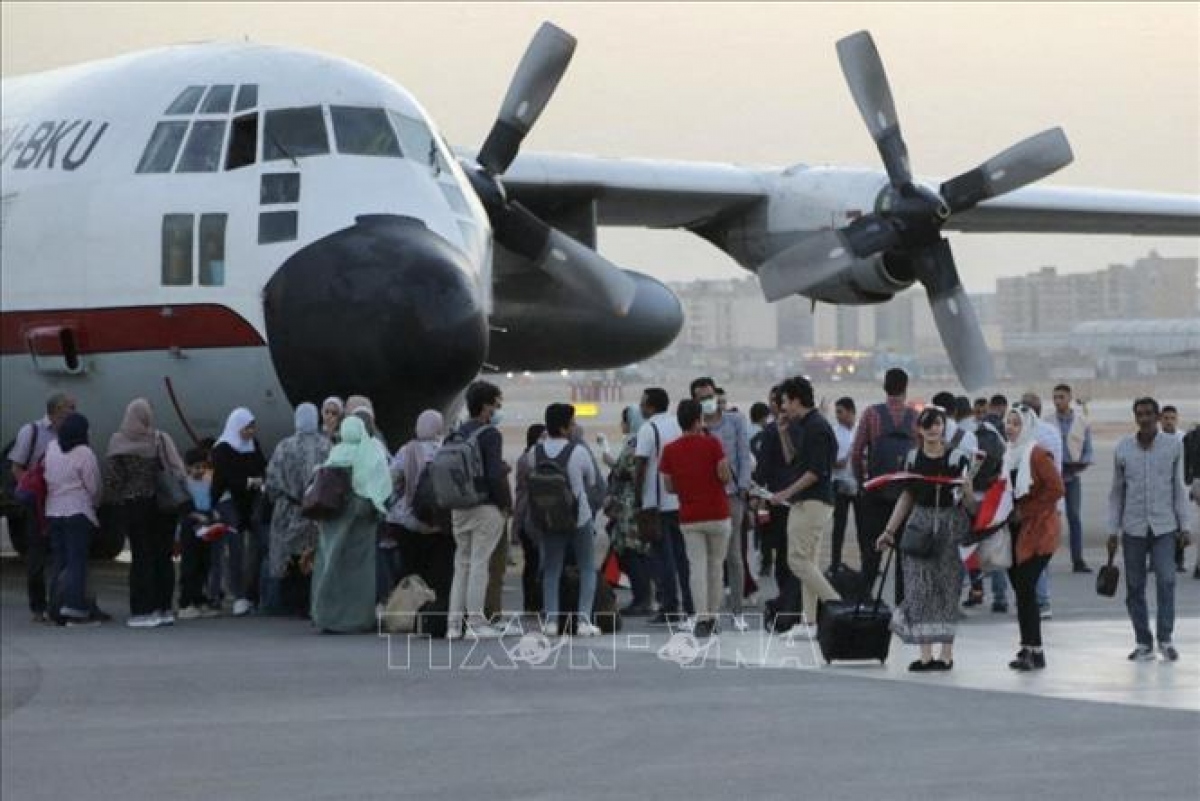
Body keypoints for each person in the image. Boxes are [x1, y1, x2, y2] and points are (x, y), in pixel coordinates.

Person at [875, 407, 974, 672]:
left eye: (937, 424)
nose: (932, 429)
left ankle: (946, 654)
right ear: (919, 429)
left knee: (947, 587)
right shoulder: (911, 458)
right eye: (927, 425)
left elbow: (968, 502)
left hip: (949, 524)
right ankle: (925, 654)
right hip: (919, 524)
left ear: (944, 427)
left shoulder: (958, 457)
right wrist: (889, 531)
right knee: (919, 588)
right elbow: (907, 496)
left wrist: (968, 493)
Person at [1108, 398, 1191, 663]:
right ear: (1135, 417)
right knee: (1135, 587)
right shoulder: (1123, 448)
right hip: (1133, 528)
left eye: (1148, 414)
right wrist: (1112, 530)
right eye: (1139, 414)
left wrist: (1185, 526)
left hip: (1164, 527)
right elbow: (1116, 493)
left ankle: (1165, 639)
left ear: (1157, 417)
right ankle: (1143, 642)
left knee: (1166, 580)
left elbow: (1178, 487)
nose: (1143, 419)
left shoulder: (1173, 446)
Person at [104, 398, 187, 629]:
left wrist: (113, 502)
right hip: (162, 506)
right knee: (163, 557)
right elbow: (178, 470)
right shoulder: (159, 438)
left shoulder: (117, 441)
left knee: (141, 558)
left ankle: (143, 610)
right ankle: (164, 609)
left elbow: (112, 480)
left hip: (134, 507)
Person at [770, 376, 841, 633]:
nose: (782, 407)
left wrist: (785, 494)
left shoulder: (817, 428)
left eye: (785, 401)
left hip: (812, 502)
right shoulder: (806, 426)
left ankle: (836, 605)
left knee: (797, 560)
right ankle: (809, 621)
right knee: (808, 562)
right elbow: (794, 460)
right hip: (808, 502)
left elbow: (815, 472)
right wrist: (782, 433)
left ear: (796, 400)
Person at [310, 416, 390, 633]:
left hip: (332, 517)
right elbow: (380, 487)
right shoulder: (370, 452)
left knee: (330, 565)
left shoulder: (335, 453)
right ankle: (357, 618)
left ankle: (326, 616)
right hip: (361, 519)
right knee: (360, 571)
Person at [660, 399, 732, 638]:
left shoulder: (670, 450)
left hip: (690, 516)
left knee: (696, 567)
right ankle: (713, 616)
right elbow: (724, 476)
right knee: (716, 566)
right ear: (698, 420)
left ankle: (701, 618)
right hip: (718, 513)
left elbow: (669, 486)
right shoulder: (713, 444)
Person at [447, 380, 512, 639]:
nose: (497, 409)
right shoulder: (490, 434)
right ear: (485, 407)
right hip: (485, 507)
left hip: (458, 507)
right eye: (496, 404)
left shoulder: (456, 433)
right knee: (479, 564)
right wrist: (504, 504)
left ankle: (454, 624)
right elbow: (494, 474)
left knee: (461, 564)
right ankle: (475, 622)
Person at [1003, 404, 1065, 671]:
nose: (1010, 428)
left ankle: (1036, 650)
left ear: (1027, 426)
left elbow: (1056, 488)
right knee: (1021, 591)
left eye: (1016, 423)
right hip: (1016, 532)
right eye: (1008, 422)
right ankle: (1027, 646)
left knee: (1027, 588)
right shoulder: (1009, 454)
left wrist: (1026, 510)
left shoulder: (1037, 454)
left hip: (1039, 531)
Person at [533, 403, 601, 637]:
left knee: (552, 569)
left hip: (549, 517)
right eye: (572, 423)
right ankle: (583, 621)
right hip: (578, 517)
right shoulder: (578, 451)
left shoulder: (536, 452)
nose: (574, 427)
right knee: (587, 568)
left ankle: (551, 622)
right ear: (563, 428)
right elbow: (592, 481)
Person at [851, 368, 917, 605]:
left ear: (884, 387)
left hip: (875, 493)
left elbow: (856, 452)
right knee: (904, 555)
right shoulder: (915, 417)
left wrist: (862, 482)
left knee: (872, 552)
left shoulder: (871, 414)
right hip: (905, 496)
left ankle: (864, 603)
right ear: (905, 388)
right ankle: (902, 606)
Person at [690, 377, 752, 631]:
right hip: (706, 498)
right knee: (706, 558)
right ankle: (707, 612)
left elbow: (744, 455)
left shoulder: (735, 421)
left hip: (732, 494)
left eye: (710, 395)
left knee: (734, 556)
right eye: (702, 398)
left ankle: (737, 610)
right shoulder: (695, 428)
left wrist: (743, 487)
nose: (708, 401)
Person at [8, 391, 75, 623]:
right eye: (70, 407)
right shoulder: (32, 431)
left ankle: (60, 602)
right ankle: (38, 606)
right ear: (56, 410)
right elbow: (16, 467)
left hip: (61, 501)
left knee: (62, 554)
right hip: (37, 504)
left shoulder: (72, 433)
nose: (73, 412)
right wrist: (31, 491)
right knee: (36, 555)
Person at [264, 403, 330, 616]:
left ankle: (290, 603)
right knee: (313, 555)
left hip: (289, 509)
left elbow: (272, 481)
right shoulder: (326, 446)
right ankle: (312, 601)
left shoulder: (284, 446)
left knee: (289, 555)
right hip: (316, 510)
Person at [387, 409, 454, 613]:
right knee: (439, 572)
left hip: (409, 521)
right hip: (440, 522)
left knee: (411, 571)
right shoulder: (446, 449)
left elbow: (392, 480)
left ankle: (409, 612)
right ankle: (435, 612)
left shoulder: (407, 450)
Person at [636, 387, 693, 624]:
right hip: (679, 499)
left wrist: (638, 498)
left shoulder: (647, 428)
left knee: (662, 558)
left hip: (656, 503)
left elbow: (640, 465)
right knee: (683, 557)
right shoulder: (678, 425)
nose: (640, 407)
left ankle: (669, 607)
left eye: (643, 403)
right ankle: (690, 604)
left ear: (650, 406)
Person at [44, 413, 104, 626]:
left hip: (54, 510)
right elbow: (94, 486)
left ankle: (54, 607)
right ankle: (75, 609)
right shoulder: (84, 453)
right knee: (77, 562)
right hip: (78, 511)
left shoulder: (52, 447)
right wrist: (95, 503)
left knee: (59, 561)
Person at [209, 407, 267, 616]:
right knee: (235, 550)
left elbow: (261, 467)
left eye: (252, 427)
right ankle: (238, 595)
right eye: (246, 428)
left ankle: (253, 594)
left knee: (261, 545)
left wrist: (256, 481)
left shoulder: (253, 445)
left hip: (250, 502)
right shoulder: (222, 449)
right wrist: (250, 481)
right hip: (228, 503)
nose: (250, 432)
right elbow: (228, 479)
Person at [602, 407, 654, 615]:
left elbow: (627, 470)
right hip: (633, 504)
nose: (621, 424)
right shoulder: (641, 440)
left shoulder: (636, 443)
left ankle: (642, 599)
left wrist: (611, 463)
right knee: (633, 552)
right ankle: (643, 597)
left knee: (632, 552)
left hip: (631, 506)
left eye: (624, 420)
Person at [1052, 384, 1094, 573]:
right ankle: (1044, 558)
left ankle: (1078, 559)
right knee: (1051, 517)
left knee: (1074, 517)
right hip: (1052, 478)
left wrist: (1083, 462)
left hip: (1072, 476)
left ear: (1069, 398)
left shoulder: (1082, 422)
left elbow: (1088, 449)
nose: (1057, 401)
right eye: (1055, 397)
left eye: (1061, 397)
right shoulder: (1048, 422)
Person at [177, 448, 221, 619]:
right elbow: (183, 508)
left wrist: (213, 513)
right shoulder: (185, 484)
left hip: (206, 523)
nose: (201, 470)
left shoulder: (207, 482)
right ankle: (185, 603)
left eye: (203, 467)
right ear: (188, 467)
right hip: (191, 525)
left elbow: (210, 501)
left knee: (204, 563)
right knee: (190, 565)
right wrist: (195, 515)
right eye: (197, 467)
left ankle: (199, 599)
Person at [514, 423, 547, 613]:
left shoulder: (524, 458)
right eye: (543, 436)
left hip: (524, 513)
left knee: (531, 561)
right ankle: (535, 601)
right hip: (529, 515)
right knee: (535, 561)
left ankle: (532, 602)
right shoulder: (530, 460)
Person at [830, 397, 860, 571]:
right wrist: (840, 461)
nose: (837, 416)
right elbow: (829, 459)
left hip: (858, 483)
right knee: (839, 526)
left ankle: (868, 563)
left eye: (840, 412)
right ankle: (835, 562)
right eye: (836, 412)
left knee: (864, 526)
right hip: (840, 483)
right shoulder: (834, 433)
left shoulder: (860, 431)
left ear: (851, 412)